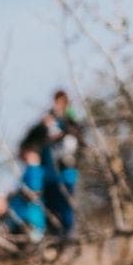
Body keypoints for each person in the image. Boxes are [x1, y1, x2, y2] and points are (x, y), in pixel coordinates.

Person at [40, 90, 82, 240]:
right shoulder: (48, 120)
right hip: (50, 173)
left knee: (66, 203)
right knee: (51, 204)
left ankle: (68, 234)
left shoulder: (71, 120)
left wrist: (62, 133)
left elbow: (77, 134)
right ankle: (55, 234)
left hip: (66, 171)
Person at [6, 143, 47, 248]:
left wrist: (16, 193)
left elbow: (33, 193)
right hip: (24, 217)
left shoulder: (34, 171)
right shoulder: (29, 171)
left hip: (29, 219)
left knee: (28, 248)